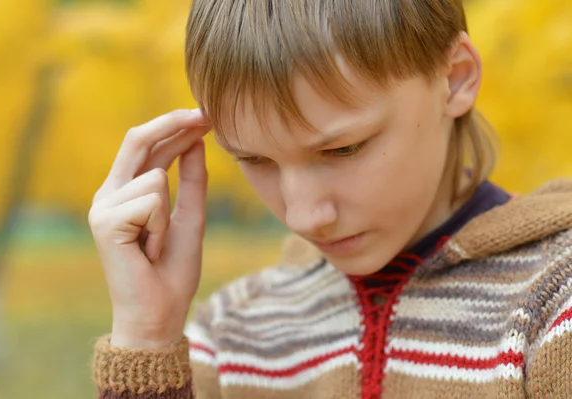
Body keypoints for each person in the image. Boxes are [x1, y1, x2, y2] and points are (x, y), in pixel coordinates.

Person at [88, 1, 572, 398]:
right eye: (256, 159)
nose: (303, 216)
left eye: (343, 148)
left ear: (455, 78)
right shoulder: (234, 336)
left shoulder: (555, 307)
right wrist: (147, 338)